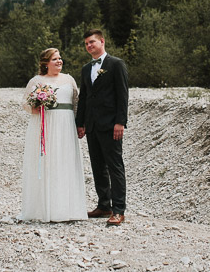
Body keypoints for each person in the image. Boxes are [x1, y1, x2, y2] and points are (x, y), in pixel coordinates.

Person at [18, 48, 87, 222]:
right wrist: (36, 107)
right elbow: (25, 103)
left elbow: (76, 103)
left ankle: (68, 209)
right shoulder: (36, 80)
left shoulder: (69, 80)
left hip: (66, 125)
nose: (59, 61)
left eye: (60, 58)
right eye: (55, 59)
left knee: (65, 162)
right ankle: (45, 208)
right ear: (46, 63)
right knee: (48, 163)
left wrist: (80, 124)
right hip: (45, 125)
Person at [76, 29, 129, 226]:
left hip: (110, 124)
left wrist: (120, 122)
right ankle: (104, 205)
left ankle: (118, 210)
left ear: (102, 41)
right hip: (92, 125)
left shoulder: (116, 64)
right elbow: (84, 98)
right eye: (86, 44)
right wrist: (80, 123)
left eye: (92, 42)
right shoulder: (85, 69)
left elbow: (122, 95)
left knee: (115, 166)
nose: (89, 46)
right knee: (98, 167)